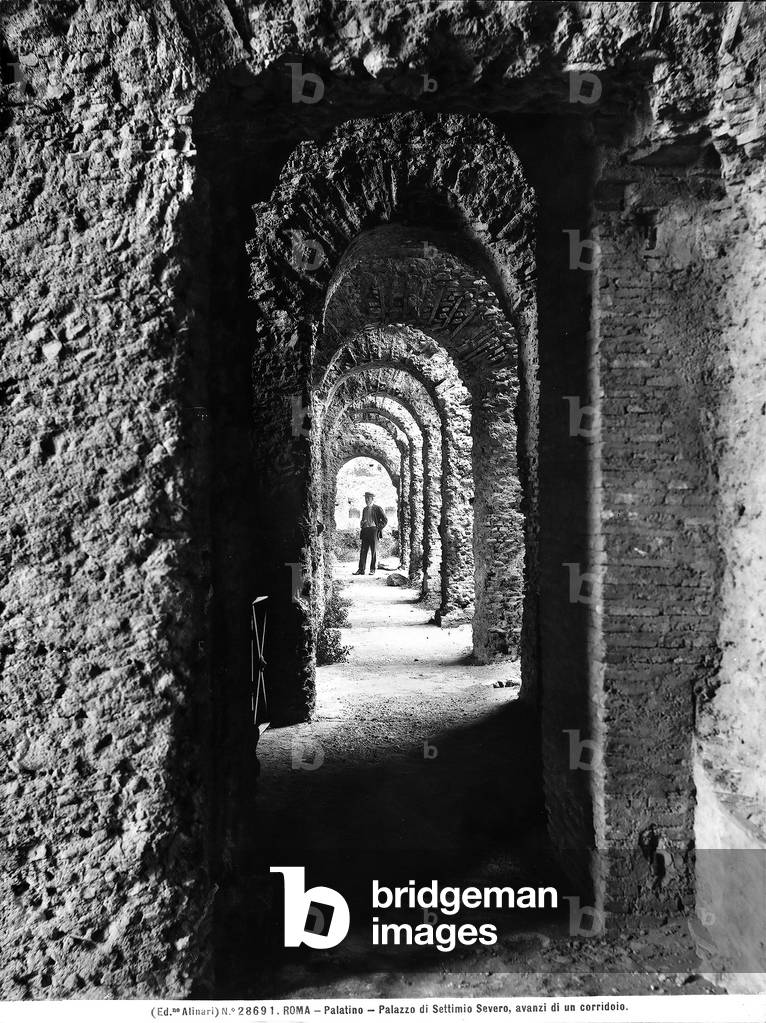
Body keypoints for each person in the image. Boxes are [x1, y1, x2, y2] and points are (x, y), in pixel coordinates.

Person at [352, 491, 388, 575]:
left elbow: (385, 520)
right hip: (365, 531)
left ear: (372, 499)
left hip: (374, 531)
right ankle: (361, 569)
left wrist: (378, 527)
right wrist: (362, 523)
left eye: (368, 498)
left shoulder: (377, 508)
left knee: (373, 551)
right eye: (365, 498)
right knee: (363, 551)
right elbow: (363, 520)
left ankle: (372, 569)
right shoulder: (364, 509)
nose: (367, 500)